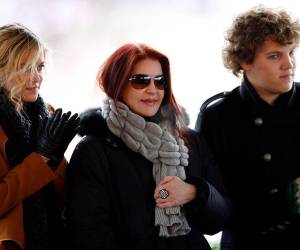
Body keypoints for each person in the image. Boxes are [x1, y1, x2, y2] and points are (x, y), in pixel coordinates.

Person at [66, 43, 231, 250]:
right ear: (116, 84)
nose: (152, 90)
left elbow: (221, 219)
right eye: (140, 81)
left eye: (160, 81)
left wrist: (194, 192)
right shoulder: (94, 150)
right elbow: (90, 234)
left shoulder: (189, 141)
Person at [195, 6, 300, 250]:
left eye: (291, 52)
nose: (289, 64)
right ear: (245, 60)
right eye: (275, 56)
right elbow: (210, 206)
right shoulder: (217, 116)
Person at [0, 23, 79, 250]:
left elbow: (66, 196)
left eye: (40, 67)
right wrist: (40, 158)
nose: (37, 78)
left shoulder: (46, 114)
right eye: (25, 68)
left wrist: (55, 159)